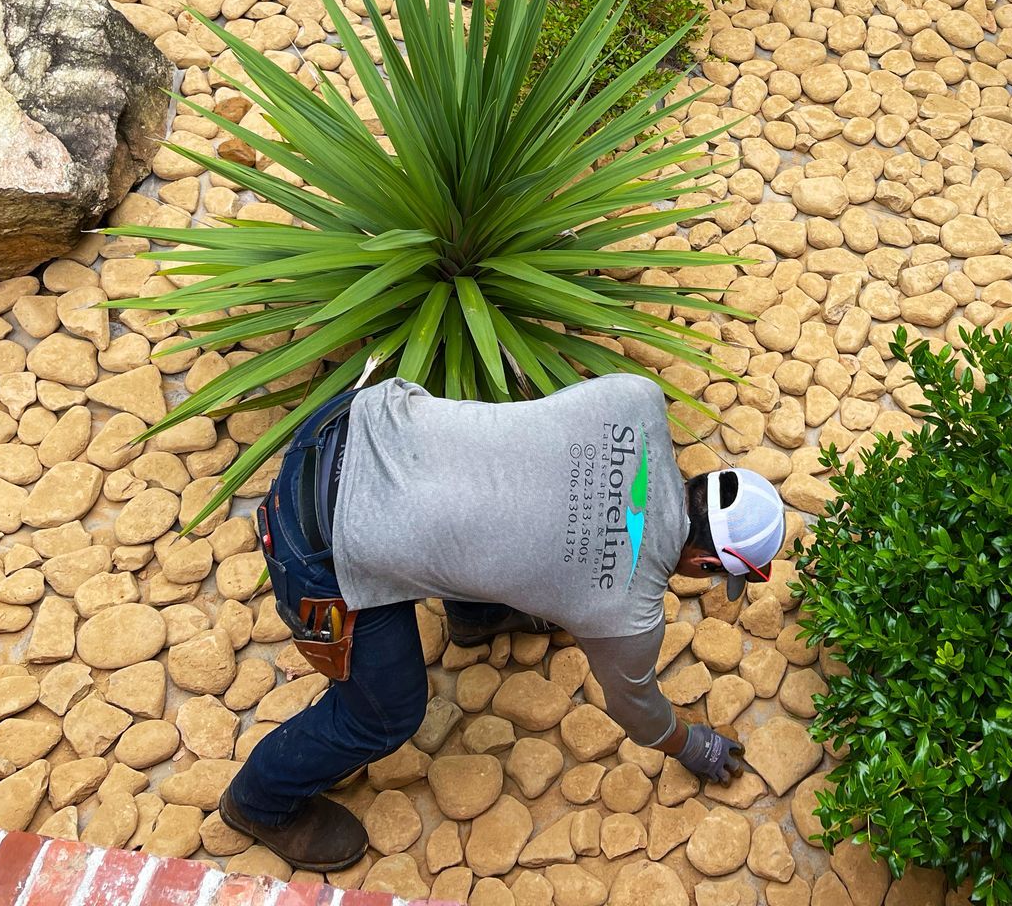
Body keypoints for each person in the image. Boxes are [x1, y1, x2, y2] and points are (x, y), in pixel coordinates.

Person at [218, 371, 790, 872]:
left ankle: (476, 615)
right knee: (386, 716)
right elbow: (636, 712)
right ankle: (260, 800)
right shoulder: (626, 613)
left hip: (349, 422)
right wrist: (691, 746)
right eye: (716, 576)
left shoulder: (637, 401)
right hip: (314, 545)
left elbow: (538, 482)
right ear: (709, 563)